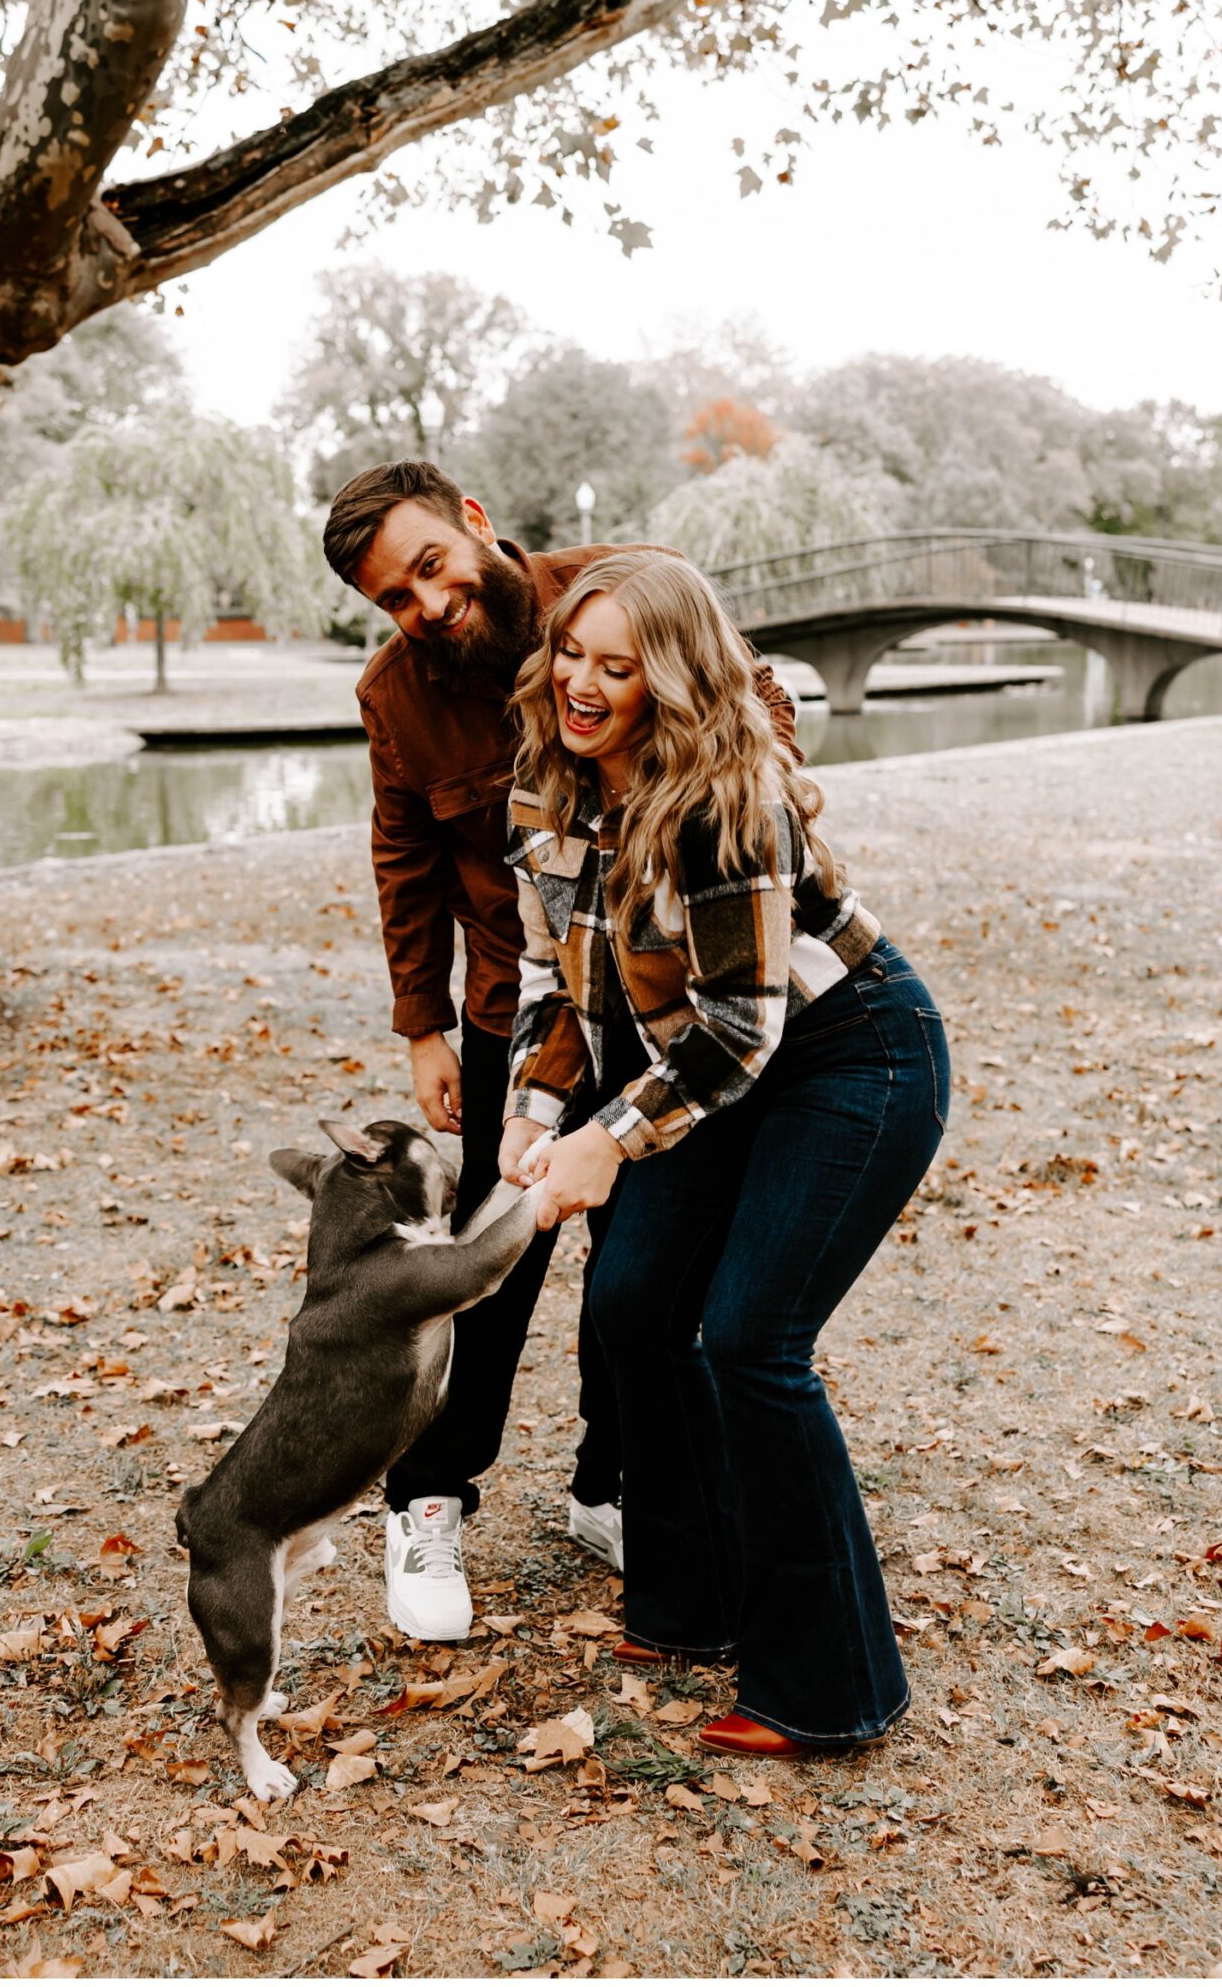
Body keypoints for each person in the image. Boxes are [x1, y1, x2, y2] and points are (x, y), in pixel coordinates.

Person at [321, 462, 797, 1640]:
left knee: (648, 1263)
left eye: (429, 565)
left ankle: (610, 1482)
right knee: (492, 1262)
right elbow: (403, 857)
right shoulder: (396, 694)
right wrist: (421, 1023)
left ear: (474, 522)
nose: (425, 605)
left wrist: (754, 827)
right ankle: (428, 1498)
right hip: (520, 1011)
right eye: (394, 597)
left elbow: (756, 715)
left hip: (671, 1012)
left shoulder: (622, 594)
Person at [499, 548, 950, 1757]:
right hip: (699, 1063)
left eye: (617, 666)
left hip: (847, 1052)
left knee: (752, 1338)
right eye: (568, 656)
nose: (580, 687)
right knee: (634, 1300)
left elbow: (746, 1025)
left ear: (676, 676)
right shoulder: (545, 785)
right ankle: (687, 1601)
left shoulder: (720, 800)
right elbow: (551, 976)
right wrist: (533, 1114)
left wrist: (607, 1137)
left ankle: (829, 1683)